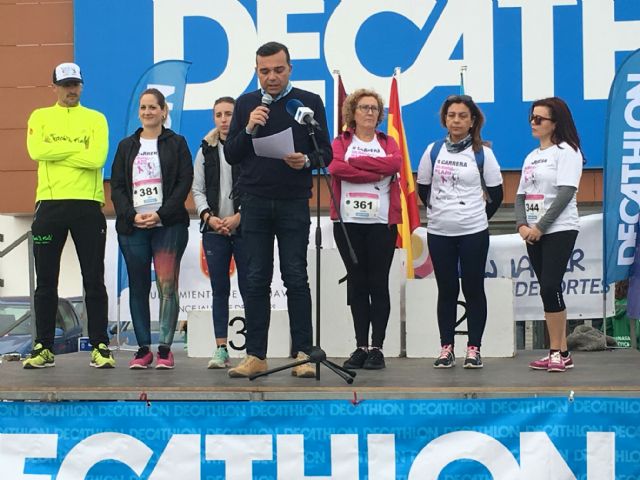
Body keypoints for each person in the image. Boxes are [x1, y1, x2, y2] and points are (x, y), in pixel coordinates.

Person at [224, 41, 332, 378]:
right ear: (257, 71)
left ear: (290, 68)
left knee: (296, 277)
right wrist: (248, 126)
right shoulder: (245, 104)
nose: (272, 77)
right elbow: (232, 154)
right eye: (265, 71)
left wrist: (306, 161)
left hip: (293, 201)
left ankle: (303, 354)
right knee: (255, 279)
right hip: (254, 202)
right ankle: (256, 355)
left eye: (278, 70)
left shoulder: (307, 103)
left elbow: (325, 152)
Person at [24, 62, 114, 369]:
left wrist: (58, 148)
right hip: (49, 205)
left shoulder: (96, 119)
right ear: (55, 87)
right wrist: (77, 151)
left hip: (87, 204)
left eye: (75, 84)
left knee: (94, 279)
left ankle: (100, 345)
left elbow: (97, 158)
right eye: (65, 85)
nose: (70, 90)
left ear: (82, 86)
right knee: (46, 281)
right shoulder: (40, 116)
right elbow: (37, 151)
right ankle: (43, 347)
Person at [417, 95, 503, 369]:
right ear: (445, 119)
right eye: (451, 115)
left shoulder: (483, 154)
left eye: (462, 115)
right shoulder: (432, 150)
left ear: (472, 121)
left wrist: (476, 217)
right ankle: (446, 348)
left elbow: (498, 195)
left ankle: (474, 348)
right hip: (440, 231)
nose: (456, 120)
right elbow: (423, 188)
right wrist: (442, 213)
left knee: (473, 288)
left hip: (473, 232)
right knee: (447, 289)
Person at [111, 88, 193, 370]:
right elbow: (118, 186)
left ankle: (165, 349)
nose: (148, 112)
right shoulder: (126, 146)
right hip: (133, 228)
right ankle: (143, 349)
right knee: (138, 287)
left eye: (153, 108)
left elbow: (184, 182)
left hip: (167, 226)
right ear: (139, 112)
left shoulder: (177, 143)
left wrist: (160, 214)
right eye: (143, 108)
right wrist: (132, 215)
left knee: (167, 286)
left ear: (163, 111)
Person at [328, 89, 401, 370]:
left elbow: (395, 163)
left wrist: (356, 164)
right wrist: (375, 171)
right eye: (364, 107)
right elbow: (335, 167)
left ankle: (378, 347)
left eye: (374, 108)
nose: (370, 112)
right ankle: (360, 345)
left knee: (378, 283)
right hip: (348, 224)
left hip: (382, 224)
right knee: (357, 283)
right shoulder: (342, 141)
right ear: (353, 113)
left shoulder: (388, 141)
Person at [516, 97, 584, 373]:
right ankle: (561, 351)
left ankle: (556, 350)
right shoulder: (531, 156)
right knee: (547, 289)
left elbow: (566, 192)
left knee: (549, 284)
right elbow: (521, 194)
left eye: (540, 119)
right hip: (532, 231)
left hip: (559, 227)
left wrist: (541, 226)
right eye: (532, 117)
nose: (534, 122)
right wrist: (522, 225)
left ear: (555, 123)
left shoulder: (567, 151)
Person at [192, 96, 247, 369]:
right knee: (219, 290)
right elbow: (198, 190)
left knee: (251, 288)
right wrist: (209, 217)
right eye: (219, 114)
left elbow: (255, 186)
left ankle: (254, 352)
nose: (224, 119)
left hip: (245, 227)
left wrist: (240, 216)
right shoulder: (205, 149)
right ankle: (221, 349)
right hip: (213, 230)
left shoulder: (248, 146)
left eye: (229, 113)